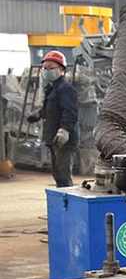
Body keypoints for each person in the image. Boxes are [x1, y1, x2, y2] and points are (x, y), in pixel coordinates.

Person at [27, 50, 78, 188]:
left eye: (51, 68)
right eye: (44, 68)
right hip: (54, 138)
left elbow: (70, 112)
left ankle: (67, 198)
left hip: (64, 139)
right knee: (57, 174)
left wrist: (64, 130)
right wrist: (39, 114)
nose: (46, 71)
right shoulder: (52, 88)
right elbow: (51, 109)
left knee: (63, 175)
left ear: (61, 70)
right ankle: (62, 198)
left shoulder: (65, 88)